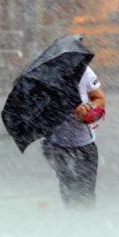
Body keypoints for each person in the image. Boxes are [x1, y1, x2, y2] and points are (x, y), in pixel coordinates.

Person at [42, 66, 106, 209]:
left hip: (84, 144)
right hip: (57, 145)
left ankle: (85, 224)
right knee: (68, 188)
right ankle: (72, 224)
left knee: (86, 191)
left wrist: (87, 108)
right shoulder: (45, 75)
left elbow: (100, 99)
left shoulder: (84, 71)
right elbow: (39, 110)